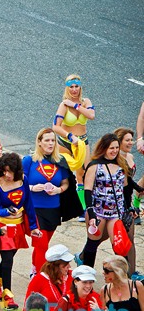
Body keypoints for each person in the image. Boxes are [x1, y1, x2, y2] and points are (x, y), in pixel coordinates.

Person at [23, 128, 81, 274]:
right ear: (39, 142)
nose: (50, 143)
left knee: (41, 245)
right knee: (41, 245)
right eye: (47, 140)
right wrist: (32, 187)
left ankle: (35, 270)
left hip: (53, 209)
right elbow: (18, 182)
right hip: (34, 210)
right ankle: (42, 278)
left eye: (53, 140)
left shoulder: (60, 161)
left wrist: (58, 190)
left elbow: (66, 183)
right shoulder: (29, 161)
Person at [0, 152, 41, 311]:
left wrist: (33, 226)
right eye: (4, 171)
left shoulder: (23, 180)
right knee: (8, 261)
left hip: (18, 226)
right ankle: (8, 297)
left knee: (8, 260)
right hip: (3, 227)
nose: (7, 175)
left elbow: (29, 203)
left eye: (10, 171)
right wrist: (7, 211)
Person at [78, 133, 129, 268]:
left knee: (119, 245)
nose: (115, 151)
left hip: (115, 213)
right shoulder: (95, 166)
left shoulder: (121, 165)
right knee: (92, 244)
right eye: (111, 148)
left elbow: (125, 189)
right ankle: (86, 274)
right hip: (97, 211)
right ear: (104, 148)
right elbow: (87, 190)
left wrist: (129, 208)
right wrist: (91, 213)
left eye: (117, 148)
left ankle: (124, 279)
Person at [52, 74, 95, 220]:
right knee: (63, 174)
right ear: (67, 87)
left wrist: (76, 106)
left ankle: (83, 207)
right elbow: (55, 127)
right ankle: (63, 205)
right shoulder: (63, 105)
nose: (74, 89)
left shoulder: (85, 102)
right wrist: (70, 136)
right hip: (66, 142)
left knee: (84, 173)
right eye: (71, 86)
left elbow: (91, 115)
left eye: (76, 86)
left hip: (82, 142)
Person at [113, 127, 143, 280]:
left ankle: (132, 272)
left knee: (129, 238)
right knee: (116, 238)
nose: (130, 142)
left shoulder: (130, 156)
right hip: (118, 205)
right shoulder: (116, 159)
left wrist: (139, 191)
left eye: (131, 139)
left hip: (128, 203)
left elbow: (130, 182)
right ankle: (85, 255)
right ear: (119, 141)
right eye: (127, 140)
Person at [25, 244, 74, 311]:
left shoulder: (73, 276)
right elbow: (28, 308)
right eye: (65, 264)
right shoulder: (38, 280)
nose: (69, 266)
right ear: (56, 266)